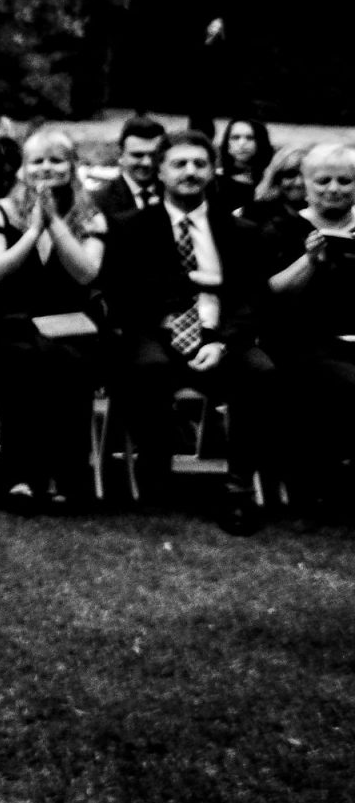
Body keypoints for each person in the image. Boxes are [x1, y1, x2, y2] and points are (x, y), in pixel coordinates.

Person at [99, 130, 275, 534]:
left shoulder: (240, 231)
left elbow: (251, 298)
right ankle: (156, 467)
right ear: (160, 171)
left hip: (219, 337)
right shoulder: (130, 228)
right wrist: (170, 316)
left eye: (199, 163)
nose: (190, 172)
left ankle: (237, 487)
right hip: (156, 334)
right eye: (179, 164)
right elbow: (120, 296)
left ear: (213, 170)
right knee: (147, 366)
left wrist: (222, 341)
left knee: (260, 372)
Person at [0, 126, 109, 511]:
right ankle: (20, 477)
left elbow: (86, 274)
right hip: (7, 326)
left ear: (72, 167)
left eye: (56, 160)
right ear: (22, 169)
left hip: (70, 329)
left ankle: (66, 477)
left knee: (68, 360)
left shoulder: (91, 218)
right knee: (28, 359)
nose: (46, 168)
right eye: (37, 161)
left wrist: (57, 224)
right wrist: (33, 230)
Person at [263, 142, 355, 521]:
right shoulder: (281, 228)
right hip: (303, 342)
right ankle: (321, 488)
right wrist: (309, 261)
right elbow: (272, 294)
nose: (334, 188)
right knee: (343, 383)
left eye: (345, 181)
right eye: (323, 181)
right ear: (304, 182)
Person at [91, 116, 165, 218]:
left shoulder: (174, 195)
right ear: (120, 155)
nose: (147, 163)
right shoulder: (99, 201)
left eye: (154, 155)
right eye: (138, 155)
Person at [239, 143, 309, 236]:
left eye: (306, 175)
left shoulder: (322, 214)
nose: (299, 182)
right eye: (290, 174)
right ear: (276, 179)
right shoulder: (256, 213)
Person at [216, 118, 273, 220]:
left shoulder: (270, 178)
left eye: (250, 138)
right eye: (235, 137)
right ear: (227, 143)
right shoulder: (216, 181)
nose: (242, 143)